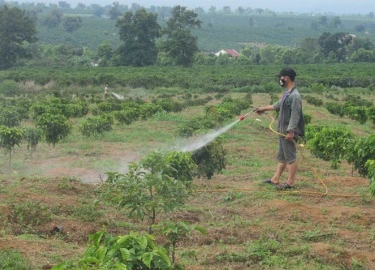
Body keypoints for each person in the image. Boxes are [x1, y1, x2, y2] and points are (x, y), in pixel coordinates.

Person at [256, 67, 305, 190]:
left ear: (286, 78)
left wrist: (291, 131)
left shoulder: (295, 96)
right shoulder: (287, 93)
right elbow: (276, 105)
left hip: (287, 133)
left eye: (281, 77)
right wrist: (262, 108)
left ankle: (290, 182)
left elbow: (295, 114)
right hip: (282, 131)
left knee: (291, 157)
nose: (280, 80)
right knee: (283, 156)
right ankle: (275, 179)